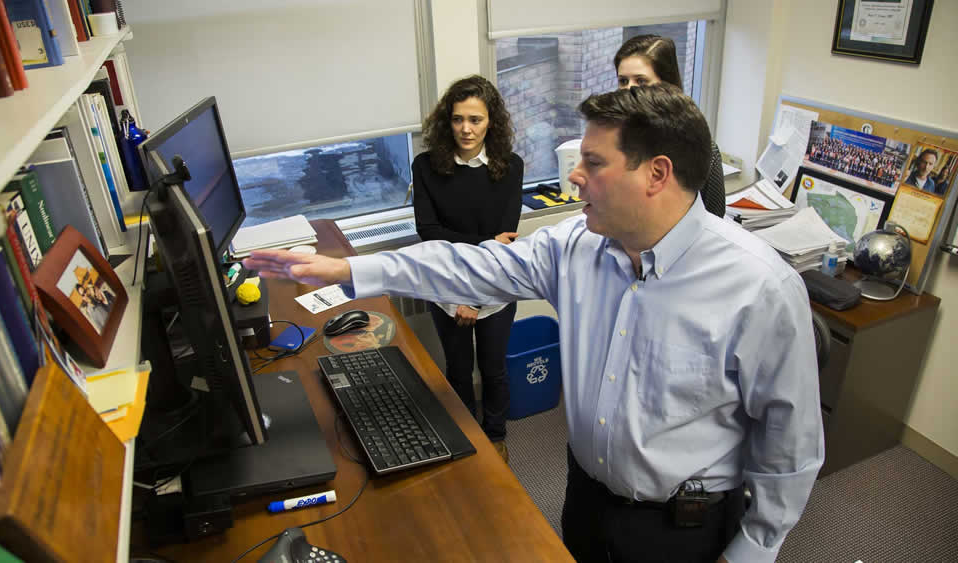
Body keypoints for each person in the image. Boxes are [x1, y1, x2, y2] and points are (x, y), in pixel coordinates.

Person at [245, 84, 823, 563]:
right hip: (584, 500)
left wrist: (753, 549)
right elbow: (471, 264)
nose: (574, 178)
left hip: (680, 531)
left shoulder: (760, 289)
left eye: (592, 164)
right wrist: (350, 267)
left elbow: (791, 447)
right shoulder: (578, 246)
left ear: (657, 174)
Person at [411, 75, 523, 461]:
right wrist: (463, 288)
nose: (466, 129)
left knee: (493, 370)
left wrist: (475, 297)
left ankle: (495, 438)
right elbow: (430, 234)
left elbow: (506, 241)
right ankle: (467, 440)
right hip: (445, 288)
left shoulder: (510, 167)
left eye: (475, 119)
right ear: (447, 120)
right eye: (458, 119)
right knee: (458, 372)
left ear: (491, 121)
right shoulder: (425, 167)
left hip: (495, 287)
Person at [613, 34, 727, 217]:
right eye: (623, 81)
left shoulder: (702, 149)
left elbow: (714, 218)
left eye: (641, 81)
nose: (629, 90)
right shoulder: (612, 142)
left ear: (667, 84)